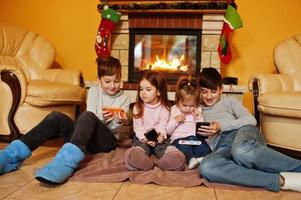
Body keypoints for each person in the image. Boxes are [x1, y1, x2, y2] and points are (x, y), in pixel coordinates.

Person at [0, 56, 130, 184]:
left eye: (116, 81)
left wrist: (117, 121)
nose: (113, 86)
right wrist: (103, 116)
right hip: (86, 137)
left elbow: (113, 130)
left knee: (86, 116)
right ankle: (10, 156)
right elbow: (92, 117)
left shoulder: (124, 99)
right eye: (108, 81)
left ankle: (65, 162)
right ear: (99, 80)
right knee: (56, 117)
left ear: (120, 78)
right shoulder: (94, 92)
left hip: (106, 141)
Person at [197, 67, 301, 192]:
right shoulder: (196, 110)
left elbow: (251, 120)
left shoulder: (229, 101)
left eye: (213, 91)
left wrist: (221, 127)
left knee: (241, 151)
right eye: (204, 92)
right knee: (207, 167)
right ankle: (281, 180)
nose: (208, 96)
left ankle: (298, 168)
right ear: (199, 91)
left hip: (243, 133)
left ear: (221, 90)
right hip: (222, 146)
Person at [125, 70, 185, 171]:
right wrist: (144, 139)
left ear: (158, 91)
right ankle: (140, 160)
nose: (143, 93)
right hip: (142, 136)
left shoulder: (164, 108)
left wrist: (161, 136)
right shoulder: (137, 107)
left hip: (157, 136)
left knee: (162, 146)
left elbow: (163, 127)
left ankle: (170, 159)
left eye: (148, 89)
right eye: (141, 89)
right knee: (142, 146)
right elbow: (138, 128)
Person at [166, 77, 211, 169]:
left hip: (194, 138)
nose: (188, 108)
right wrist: (175, 120)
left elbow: (202, 131)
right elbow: (168, 131)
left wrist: (198, 118)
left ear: (196, 103)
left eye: (192, 105)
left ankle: (204, 158)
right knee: (185, 148)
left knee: (203, 145)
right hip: (178, 139)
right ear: (178, 101)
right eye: (185, 105)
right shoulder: (174, 110)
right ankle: (191, 159)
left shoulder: (197, 111)